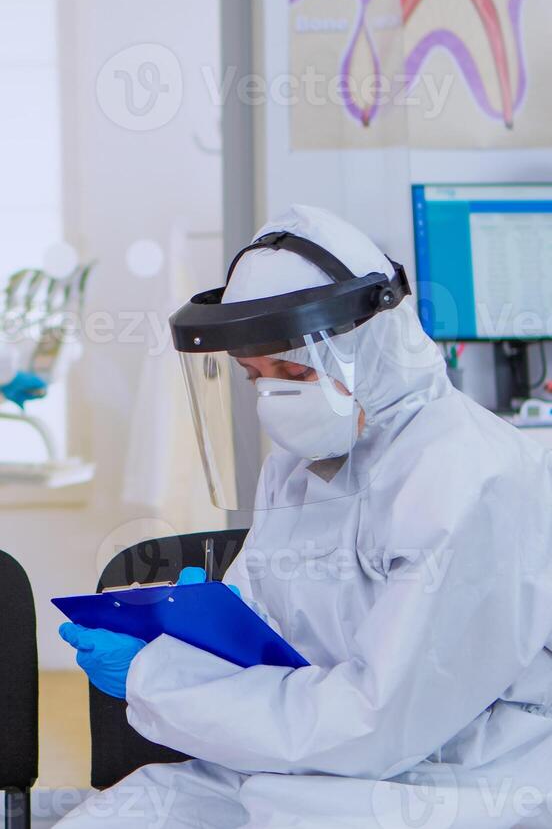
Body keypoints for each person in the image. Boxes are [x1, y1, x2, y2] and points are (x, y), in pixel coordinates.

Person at [58, 205, 552, 828]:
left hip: (446, 780)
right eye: (253, 377)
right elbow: (262, 631)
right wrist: (183, 629)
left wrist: (158, 679)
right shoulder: (297, 465)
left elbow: (377, 724)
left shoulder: (469, 478)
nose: (274, 400)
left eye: (292, 372)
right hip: (297, 765)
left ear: (372, 345)